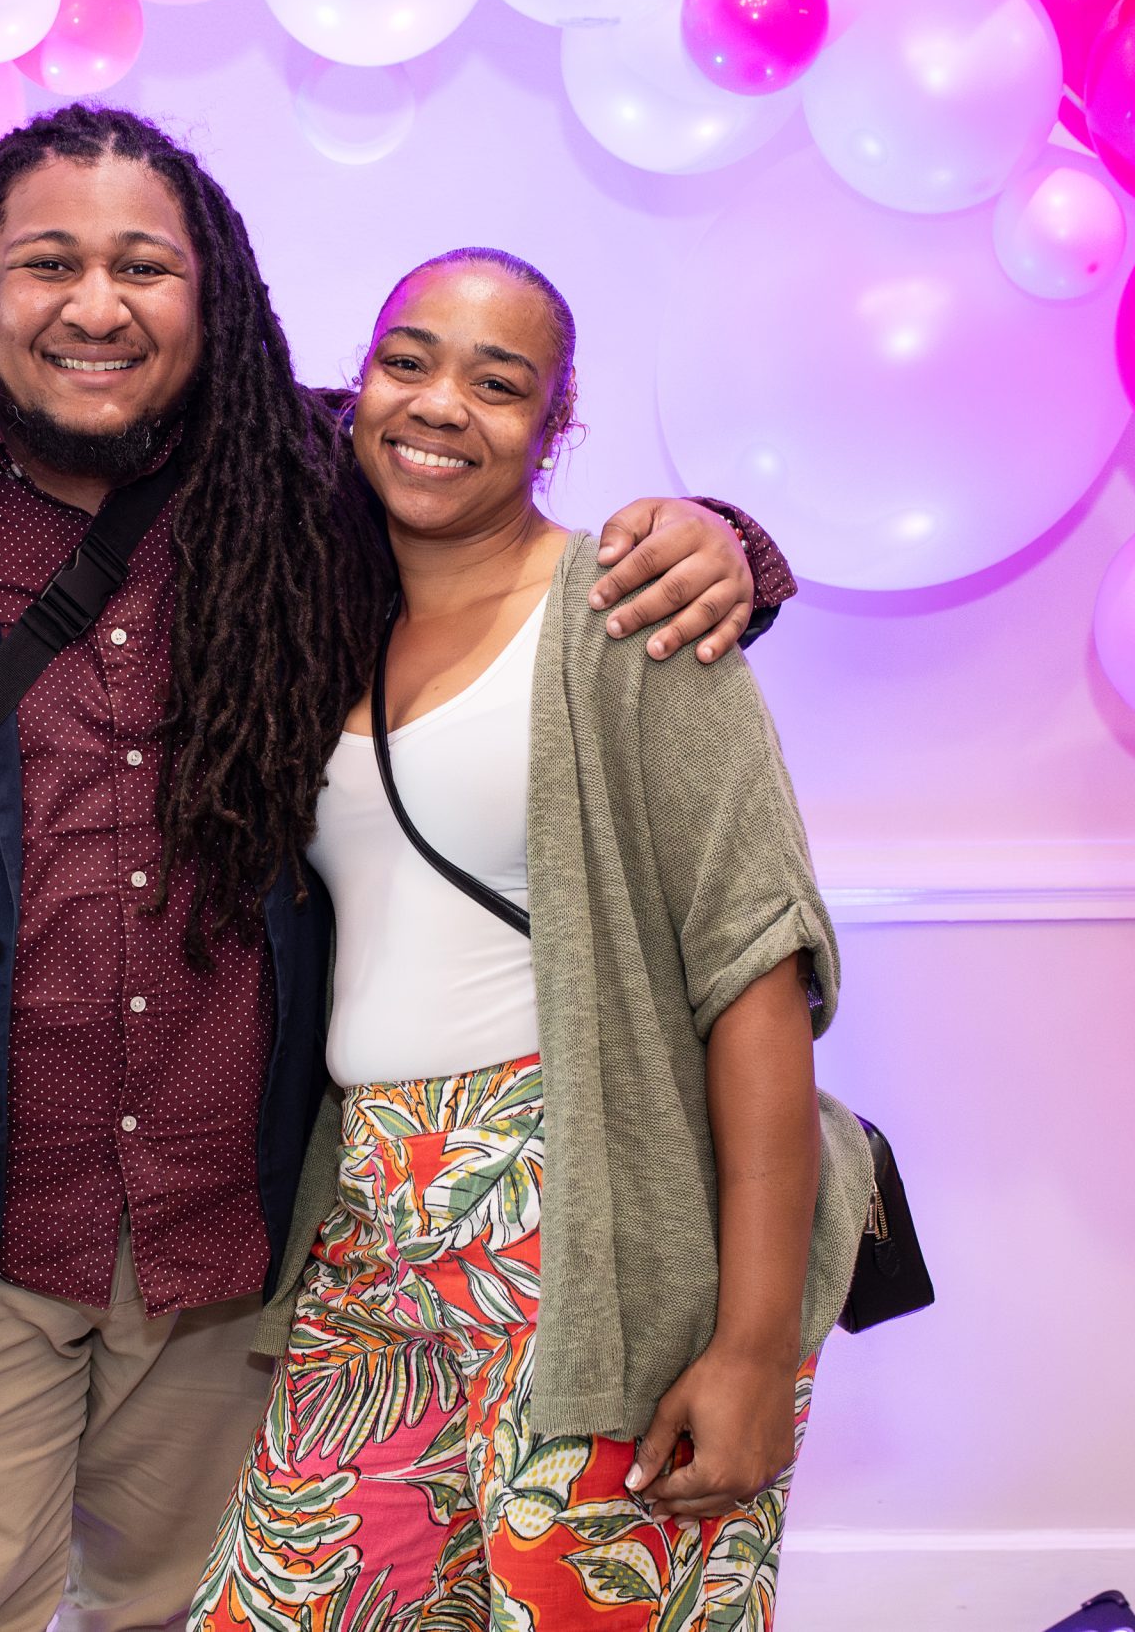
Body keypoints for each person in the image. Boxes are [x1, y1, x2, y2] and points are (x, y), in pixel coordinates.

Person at [0, 107, 798, 1632]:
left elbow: (494, 508)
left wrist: (725, 543)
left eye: (143, 266)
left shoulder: (313, 479)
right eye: (49, 262)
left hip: (236, 1239)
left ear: (215, 295)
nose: (96, 305)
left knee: (205, 1614)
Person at [189, 249, 872, 1631]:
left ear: (556, 425)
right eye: (408, 361)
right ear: (357, 382)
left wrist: (750, 1348)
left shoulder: (627, 611)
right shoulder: (328, 618)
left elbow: (757, 972)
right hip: (375, 1215)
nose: (441, 403)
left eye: (499, 385)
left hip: (591, 1208)